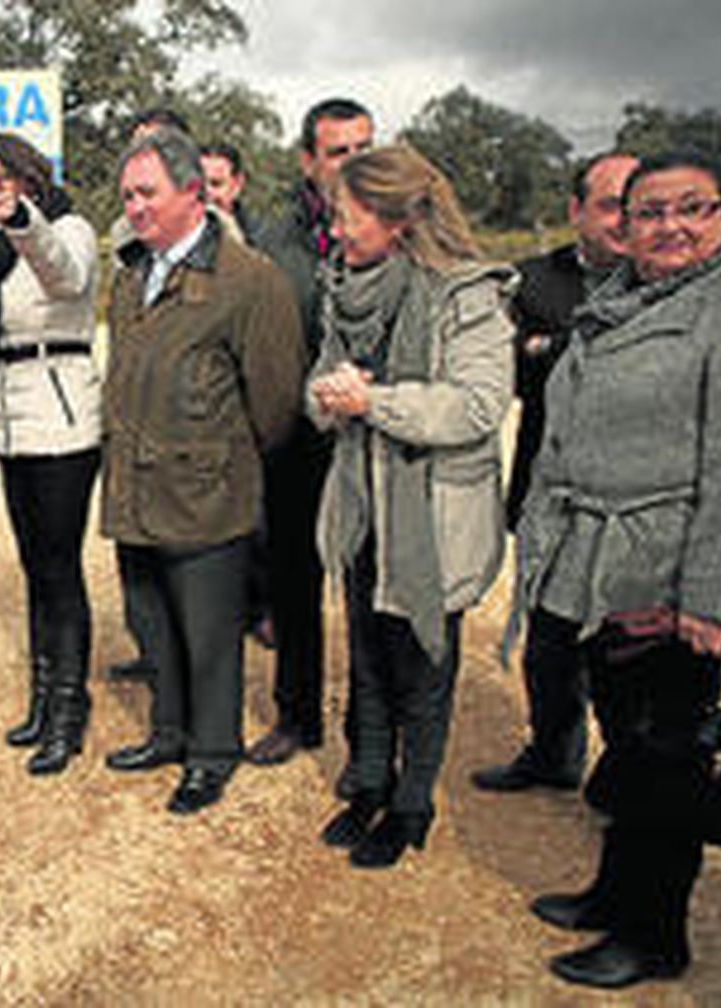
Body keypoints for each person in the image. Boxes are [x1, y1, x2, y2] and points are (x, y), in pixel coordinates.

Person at [517, 150, 721, 989]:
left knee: (665, 757)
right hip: (608, 571)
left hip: (674, 576)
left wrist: (715, 600)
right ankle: (616, 890)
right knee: (628, 744)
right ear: (623, 224)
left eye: (693, 208)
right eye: (649, 212)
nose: (670, 226)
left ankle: (653, 934)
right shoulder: (623, 298)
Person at [310, 146, 514, 868]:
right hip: (363, 510)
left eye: (346, 213)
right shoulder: (344, 287)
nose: (336, 229)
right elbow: (317, 389)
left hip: (429, 519)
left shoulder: (468, 295)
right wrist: (330, 400)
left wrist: (375, 401)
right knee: (367, 660)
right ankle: (367, 782)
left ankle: (411, 804)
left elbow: (480, 405)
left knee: (423, 666)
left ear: (396, 217)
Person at [101, 127, 305, 814]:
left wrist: (218, 462)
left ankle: (211, 754)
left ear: (194, 193)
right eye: (128, 194)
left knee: (211, 634)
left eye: (147, 193)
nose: (134, 207)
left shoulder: (249, 281)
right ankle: (169, 734)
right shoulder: (132, 274)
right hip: (137, 489)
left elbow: (275, 403)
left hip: (206, 498)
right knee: (151, 620)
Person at [471, 152, 639, 795]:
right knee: (548, 641)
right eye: (609, 205)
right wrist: (560, 350)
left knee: (621, 645)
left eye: (636, 203)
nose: (625, 220)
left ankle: (624, 772)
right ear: (575, 211)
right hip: (547, 491)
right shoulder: (532, 282)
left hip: (631, 505)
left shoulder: (662, 281)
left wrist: (554, 346)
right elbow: (507, 372)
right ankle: (553, 752)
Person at [245, 98, 375, 773]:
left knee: (365, 592)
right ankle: (298, 715)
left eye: (364, 148)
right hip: (295, 441)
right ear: (307, 161)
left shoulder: (396, 235)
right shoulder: (274, 244)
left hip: (369, 440)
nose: (353, 163)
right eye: (338, 152)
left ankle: (368, 733)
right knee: (294, 582)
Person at [0, 132, 101, 775]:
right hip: (15, 414)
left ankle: (71, 711)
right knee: (34, 567)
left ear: (27, 177)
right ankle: (44, 701)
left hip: (63, 416)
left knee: (60, 568)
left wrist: (22, 220)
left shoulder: (68, 227)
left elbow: (65, 274)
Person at [199, 141, 269, 250]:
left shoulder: (260, 238)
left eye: (216, 184)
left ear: (237, 184)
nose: (206, 191)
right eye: (199, 183)